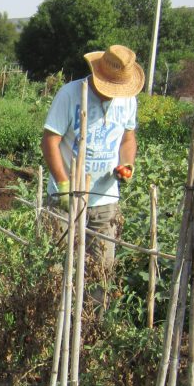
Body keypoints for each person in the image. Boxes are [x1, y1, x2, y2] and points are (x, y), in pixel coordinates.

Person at [41, 44, 142, 269]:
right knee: (56, 271)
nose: (113, 93)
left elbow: (128, 139)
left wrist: (127, 163)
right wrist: (63, 184)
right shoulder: (70, 94)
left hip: (105, 203)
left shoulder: (128, 99)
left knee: (101, 273)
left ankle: (93, 305)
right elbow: (49, 141)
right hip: (65, 200)